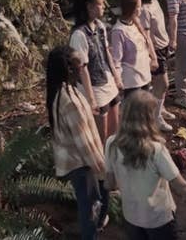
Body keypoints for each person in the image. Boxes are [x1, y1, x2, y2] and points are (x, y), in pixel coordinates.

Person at [104, 90, 186, 240]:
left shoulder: (111, 143)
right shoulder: (155, 150)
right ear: (148, 118)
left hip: (131, 217)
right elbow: (182, 186)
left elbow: (110, 184)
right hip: (158, 219)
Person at [46, 46, 109, 239]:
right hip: (81, 163)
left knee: (91, 202)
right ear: (69, 69)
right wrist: (103, 168)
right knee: (89, 206)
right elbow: (85, 144)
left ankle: (95, 227)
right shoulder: (70, 101)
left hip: (77, 161)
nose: (84, 69)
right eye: (80, 65)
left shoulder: (62, 90)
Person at [70, 0, 122, 144]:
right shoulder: (79, 35)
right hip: (94, 88)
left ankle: (112, 159)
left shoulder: (100, 27)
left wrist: (116, 77)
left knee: (115, 129)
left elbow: (107, 54)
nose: (104, 6)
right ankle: (101, 165)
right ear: (89, 6)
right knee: (101, 134)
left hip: (107, 81)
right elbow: (82, 70)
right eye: (100, 4)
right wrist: (91, 99)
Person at [139, 0, 176, 132]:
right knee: (163, 84)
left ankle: (159, 108)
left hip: (164, 47)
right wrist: (152, 56)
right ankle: (155, 116)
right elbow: (146, 36)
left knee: (161, 85)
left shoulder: (155, 2)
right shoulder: (144, 9)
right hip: (156, 51)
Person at [110, 0, 158, 98]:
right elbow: (116, 59)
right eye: (138, 7)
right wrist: (118, 79)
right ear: (131, 8)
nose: (140, 9)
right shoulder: (118, 31)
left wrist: (153, 59)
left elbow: (146, 42)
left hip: (145, 76)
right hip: (132, 82)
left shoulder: (136, 24)